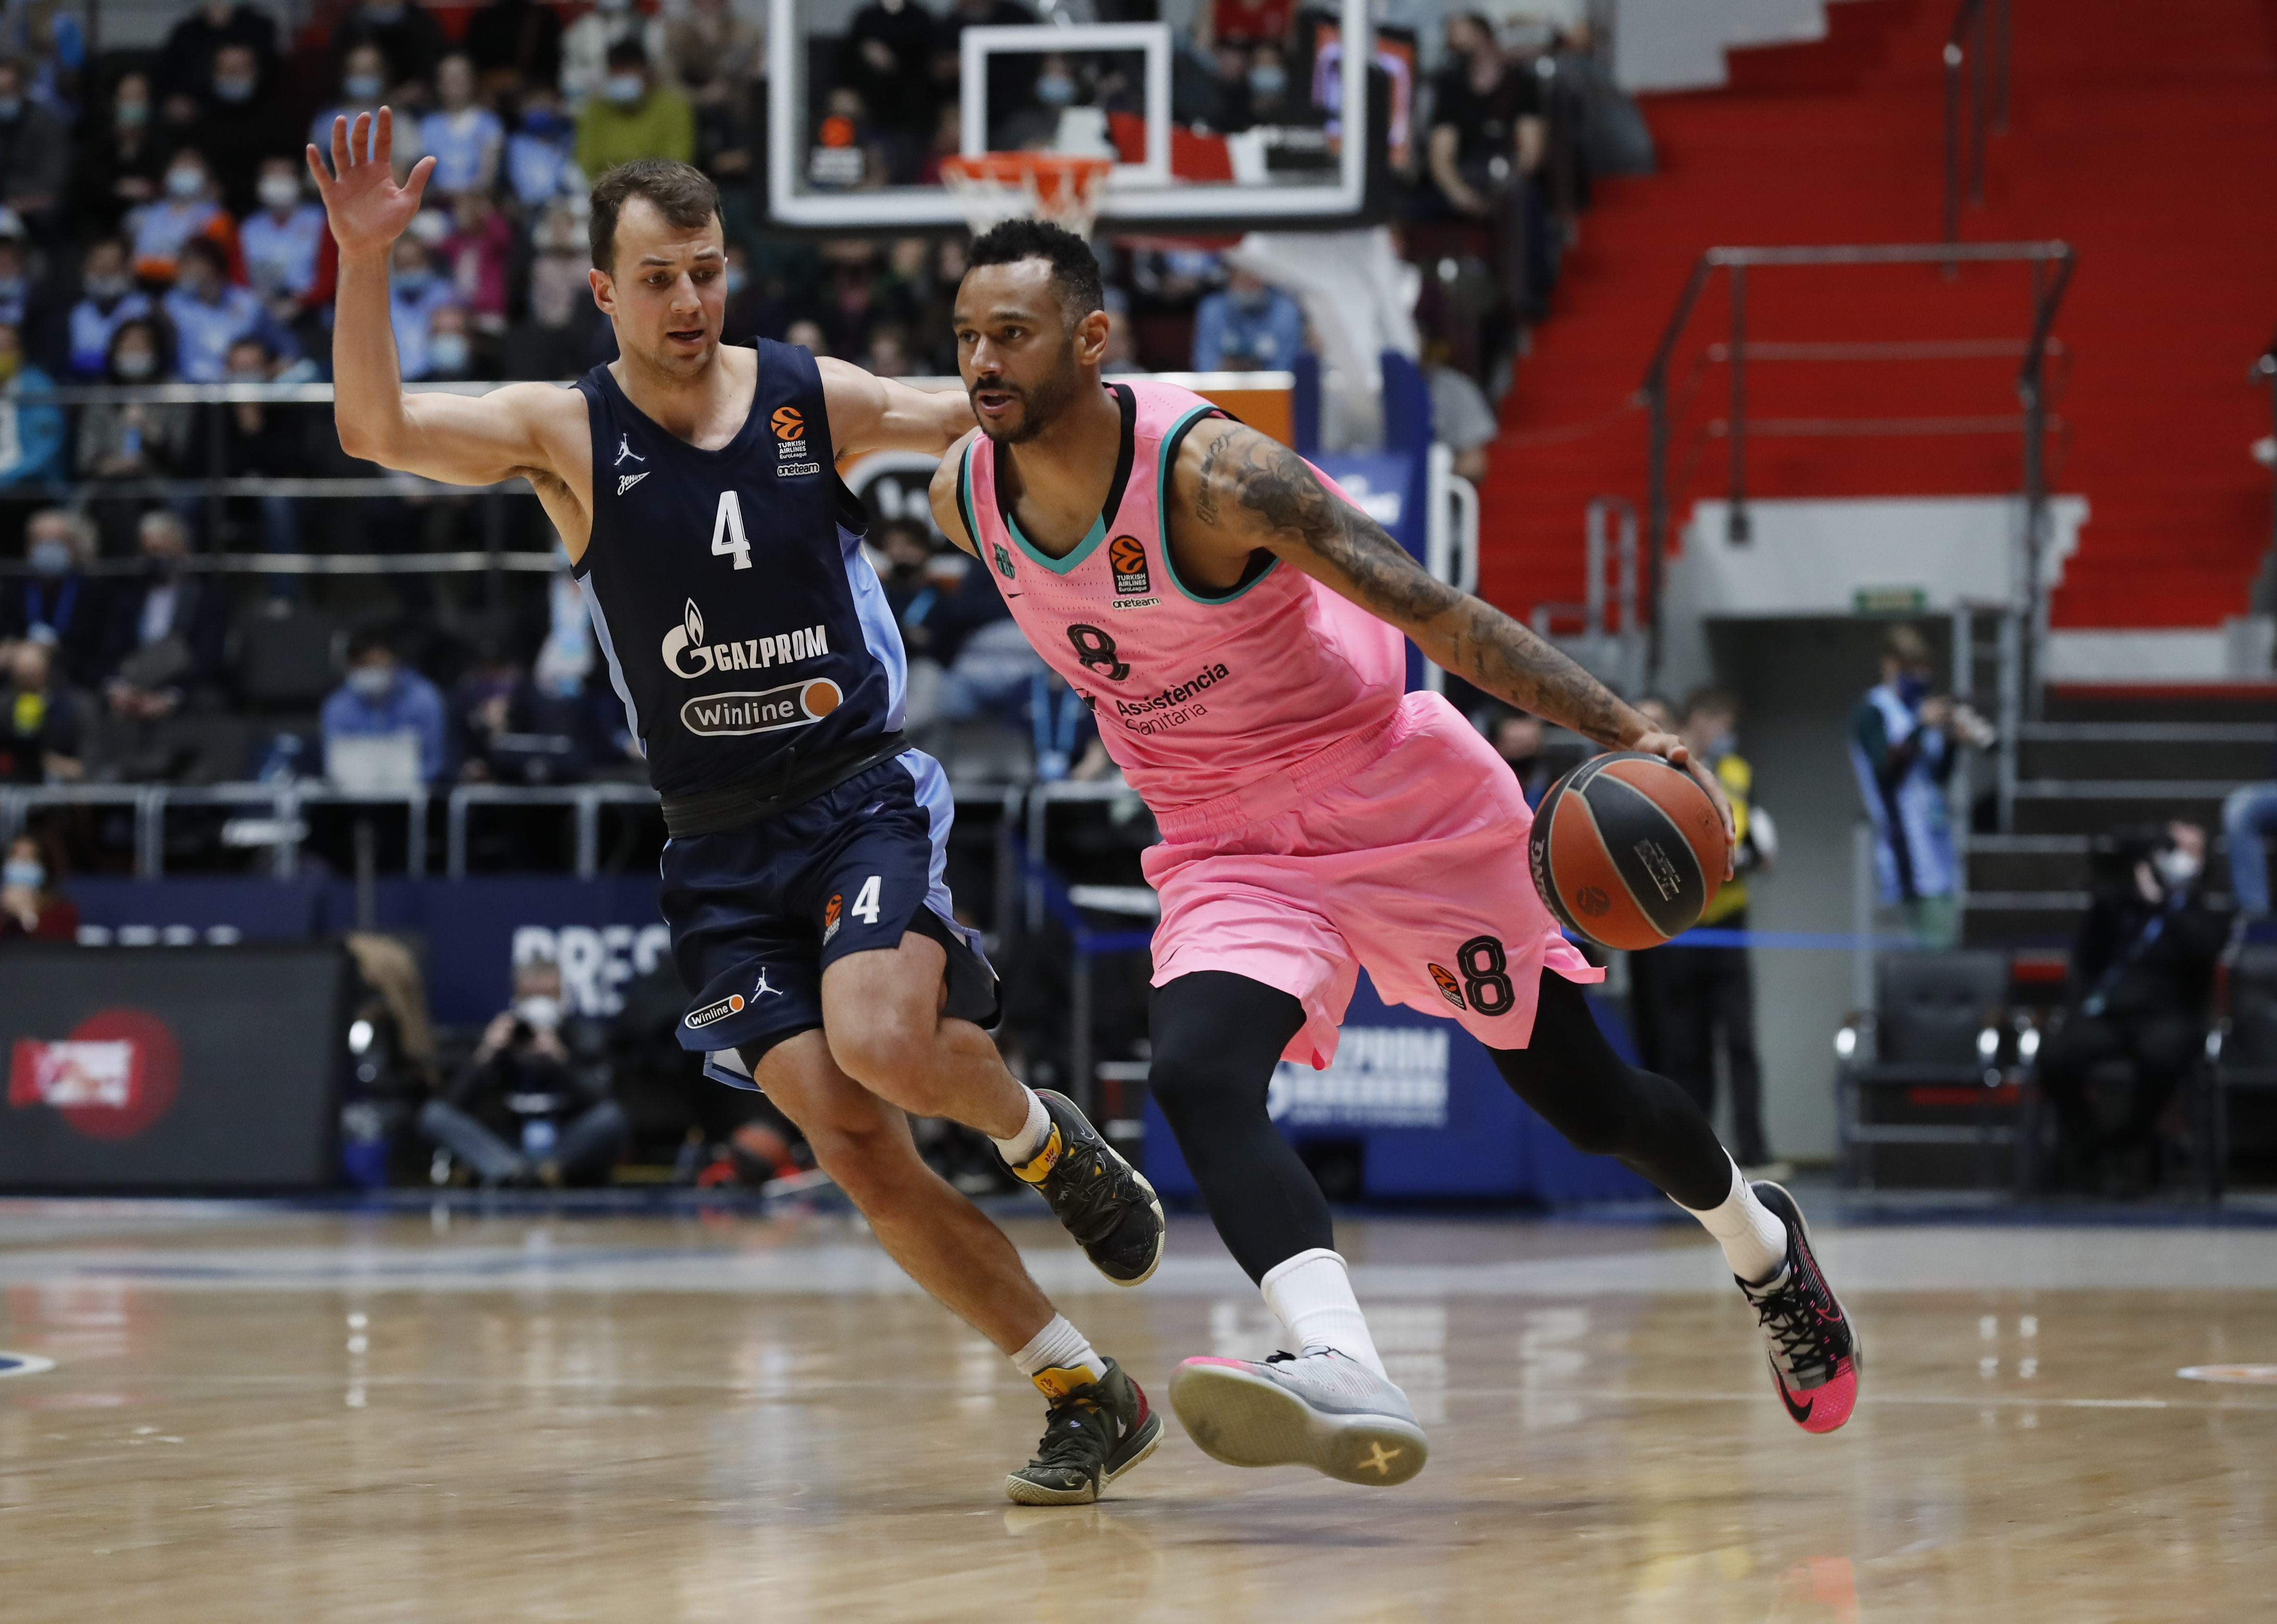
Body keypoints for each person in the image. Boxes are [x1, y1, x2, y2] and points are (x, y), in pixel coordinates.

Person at [307, 121, 1168, 1504]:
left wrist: (1113, 389)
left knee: (882, 1040)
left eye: (705, 270)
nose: (688, 300)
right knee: (848, 1139)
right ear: (604, 291)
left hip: (855, 791)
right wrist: (364, 261)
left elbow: (978, 410)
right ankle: (1082, 1388)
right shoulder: (565, 429)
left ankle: (1037, 1137)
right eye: (657, 278)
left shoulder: (804, 397)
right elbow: (376, 429)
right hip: (711, 839)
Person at [931, 220, 1861, 1487]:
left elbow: (1436, 613)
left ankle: (1761, 1245)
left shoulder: (1220, 475)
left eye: (1012, 334)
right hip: (1222, 838)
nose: (983, 362)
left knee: (1589, 1103)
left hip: (1391, 796)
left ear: (1091, 340)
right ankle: (1340, 1359)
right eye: (966, 338)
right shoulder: (965, 493)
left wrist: (1621, 726)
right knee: (1196, 1074)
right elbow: (847, 422)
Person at [1628, 688, 1779, 1171]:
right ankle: (1692, 1158)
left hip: (1728, 924)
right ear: (1695, 719)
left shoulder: (1735, 773)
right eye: (1717, 720)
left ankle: (1753, 1150)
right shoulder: (1638, 775)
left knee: (1740, 1041)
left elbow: (1751, 842)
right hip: (1674, 925)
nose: (1723, 731)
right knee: (1684, 1048)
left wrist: (1748, 854)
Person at [2034, 821, 2226, 1195]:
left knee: (2161, 1055)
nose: (2179, 857)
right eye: (2172, 848)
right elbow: (2088, 958)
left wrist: (2165, 902)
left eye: (2190, 850)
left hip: (2167, 1015)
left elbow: (2204, 950)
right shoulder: (2118, 905)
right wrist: (2114, 896)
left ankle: (2132, 1137)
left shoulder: (2203, 911)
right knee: (2056, 1054)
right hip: (2111, 1014)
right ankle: (2089, 1140)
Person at [419, 958, 630, 1186]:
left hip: (564, 1147)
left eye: (548, 995)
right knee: (433, 1115)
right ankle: (512, 1172)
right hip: (507, 1148)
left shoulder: (581, 1037)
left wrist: (561, 1062)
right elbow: (449, 1108)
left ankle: (537, 1174)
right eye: (530, 996)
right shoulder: (500, 1041)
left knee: (611, 1118)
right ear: (516, 998)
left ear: (563, 997)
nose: (539, 1004)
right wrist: (485, 1057)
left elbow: (604, 1104)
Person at [1849, 624, 1990, 950]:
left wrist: (1953, 741)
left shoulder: (1917, 708)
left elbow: (1936, 776)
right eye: (1912, 669)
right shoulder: (1873, 711)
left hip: (1937, 843)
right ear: (1890, 666)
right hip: (1905, 847)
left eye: (1926, 669)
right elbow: (1886, 772)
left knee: (1947, 941)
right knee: (1930, 949)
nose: (1921, 677)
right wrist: (1920, 726)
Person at [101, 508, 230, 719]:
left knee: (209, 700)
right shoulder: (127, 597)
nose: (155, 559)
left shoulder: (205, 599)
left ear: (183, 551)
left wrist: (172, 697)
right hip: (131, 683)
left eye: (161, 550)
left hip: (182, 685)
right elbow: (110, 649)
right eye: (148, 552)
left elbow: (208, 657)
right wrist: (119, 688)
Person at [321, 628, 448, 784]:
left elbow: (433, 759)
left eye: (379, 664)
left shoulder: (423, 699)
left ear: (396, 662)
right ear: (350, 666)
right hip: (353, 793)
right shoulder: (338, 706)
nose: (372, 670)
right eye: (364, 664)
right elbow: (335, 763)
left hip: (414, 790)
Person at [163, 236, 296, 383]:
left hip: (237, 388)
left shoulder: (248, 304)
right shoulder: (172, 305)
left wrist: (274, 370)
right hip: (184, 389)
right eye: (184, 263)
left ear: (213, 265)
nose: (184, 270)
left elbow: (287, 347)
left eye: (192, 263)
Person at [2, 510, 104, 688]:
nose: (48, 550)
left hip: (74, 678)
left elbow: (95, 648)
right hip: (19, 668)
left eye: (57, 543)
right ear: (28, 547)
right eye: (41, 542)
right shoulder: (15, 590)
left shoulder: (91, 592)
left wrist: (54, 651)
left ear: (73, 548)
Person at [575, 40, 695, 177]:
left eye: (629, 70)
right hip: (604, 187)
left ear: (647, 72)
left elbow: (677, 163)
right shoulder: (594, 111)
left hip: (658, 187)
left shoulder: (674, 107)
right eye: (617, 71)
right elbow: (585, 162)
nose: (622, 76)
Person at [65, 238, 153, 378]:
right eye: (98, 264)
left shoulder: (146, 309)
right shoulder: (77, 313)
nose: (104, 271)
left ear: (127, 267)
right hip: (85, 387)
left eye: (112, 264)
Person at [419, 53, 504, 198]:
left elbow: (487, 177)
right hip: (437, 202)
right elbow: (422, 177)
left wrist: (466, 197)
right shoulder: (428, 125)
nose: (455, 83)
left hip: (476, 202)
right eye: (449, 78)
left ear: (472, 80)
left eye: (460, 77)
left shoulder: (490, 123)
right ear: (439, 84)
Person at [0, 56, 68, 234]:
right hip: (7, 201)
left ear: (23, 88)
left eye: (8, 92)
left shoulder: (47, 122)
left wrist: (17, 201)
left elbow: (53, 179)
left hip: (35, 203)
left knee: (47, 217)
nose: (3, 99)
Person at [1191, 269, 1306, 372]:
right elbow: (1205, 367)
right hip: (1222, 386)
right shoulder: (1213, 309)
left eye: (1253, 276)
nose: (1248, 284)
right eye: (1242, 277)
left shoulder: (1286, 312)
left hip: (1270, 387)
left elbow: (1286, 372)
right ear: (1231, 277)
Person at [0, 638, 81, 781]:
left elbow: (80, 765)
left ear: (46, 670)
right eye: (23, 669)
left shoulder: (67, 706)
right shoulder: (5, 706)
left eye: (33, 669)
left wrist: (45, 761)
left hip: (54, 782)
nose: (28, 674)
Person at [0, 319, 62, 487]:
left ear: (19, 352)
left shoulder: (38, 388)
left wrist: (5, 479)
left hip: (26, 485)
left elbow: (44, 450)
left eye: (5, 348)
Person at [0, 831, 76, 938]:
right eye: (20, 851)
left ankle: (28, 916)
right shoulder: (10, 868)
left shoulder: (36, 870)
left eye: (28, 852)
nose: (24, 854)